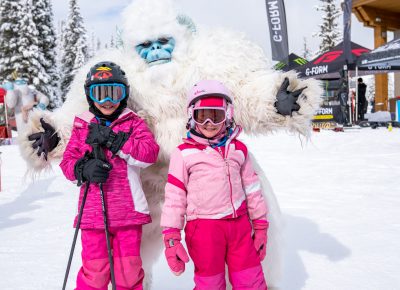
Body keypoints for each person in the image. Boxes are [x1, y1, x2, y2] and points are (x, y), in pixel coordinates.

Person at [59, 62, 159, 290]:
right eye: (100, 93)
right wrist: (82, 169)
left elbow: (148, 154)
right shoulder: (82, 125)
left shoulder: (132, 122)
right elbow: (67, 162)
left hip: (128, 214)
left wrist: (115, 139)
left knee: (129, 273)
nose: (107, 101)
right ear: (89, 95)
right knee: (95, 273)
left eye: (114, 93)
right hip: (92, 215)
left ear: (124, 94)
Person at [161, 80, 269, 289]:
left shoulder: (239, 150)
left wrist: (261, 226)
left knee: (251, 281)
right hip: (204, 230)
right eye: (202, 116)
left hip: (239, 227)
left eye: (216, 115)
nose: (209, 122)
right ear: (191, 116)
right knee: (210, 283)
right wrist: (171, 237)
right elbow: (175, 197)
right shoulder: (184, 153)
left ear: (227, 115)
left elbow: (253, 189)